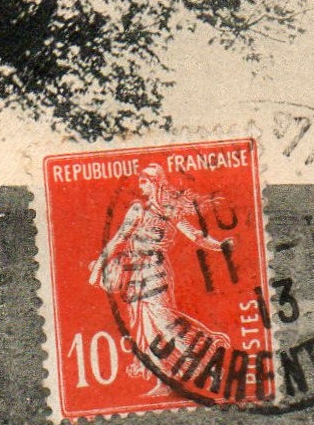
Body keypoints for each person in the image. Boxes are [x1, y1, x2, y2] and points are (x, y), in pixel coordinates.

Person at [89, 164, 234, 389]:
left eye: (145, 181)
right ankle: (162, 382)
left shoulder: (171, 212)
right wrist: (98, 266)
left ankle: (210, 361)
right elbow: (118, 239)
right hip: (134, 274)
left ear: (156, 183)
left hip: (156, 272)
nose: (141, 185)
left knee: (166, 324)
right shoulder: (137, 210)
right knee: (147, 331)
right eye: (140, 181)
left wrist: (220, 246)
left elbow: (196, 236)